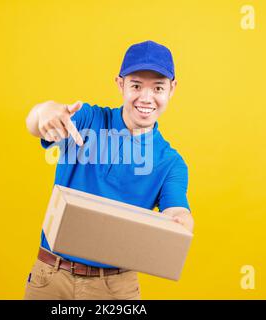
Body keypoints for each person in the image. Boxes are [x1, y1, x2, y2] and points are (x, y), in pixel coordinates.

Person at [24, 40, 194, 300]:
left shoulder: (170, 163)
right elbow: (37, 122)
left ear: (172, 89)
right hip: (51, 277)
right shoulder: (88, 120)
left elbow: (177, 208)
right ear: (120, 84)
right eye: (136, 86)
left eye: (158, 88)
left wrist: (180, 220)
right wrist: (44, 111)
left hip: (116, 287)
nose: (146, 98)